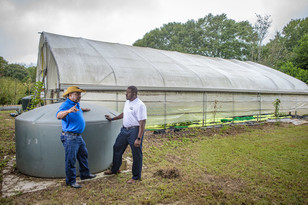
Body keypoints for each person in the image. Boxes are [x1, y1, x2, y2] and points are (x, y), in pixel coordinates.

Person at [104, 85, 147, 184]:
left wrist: (138, 138)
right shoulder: (127, 102)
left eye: (128, 92)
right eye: (126, 92)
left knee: (136, 154)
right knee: (117, 147)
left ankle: (136, 177)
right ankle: (115, 169)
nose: (126, 94)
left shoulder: (140, 105)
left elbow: (142, 123)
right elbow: (124, 114)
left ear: (134, 94)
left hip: (134, 131)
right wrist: (113, 118)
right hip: (124, 130)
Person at [56, 86, 96, 188]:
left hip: (78, 136)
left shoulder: (76, 104)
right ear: (70, 95)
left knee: (83, 154)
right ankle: (70, 181)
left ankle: (85, 174)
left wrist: (83, 109)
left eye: (80, 94)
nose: (79, 96)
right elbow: (58, 115)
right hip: (70, 136)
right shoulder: (66, 105)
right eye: (77, 94)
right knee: (71, 159)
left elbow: (77, 109)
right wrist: (68, 111)